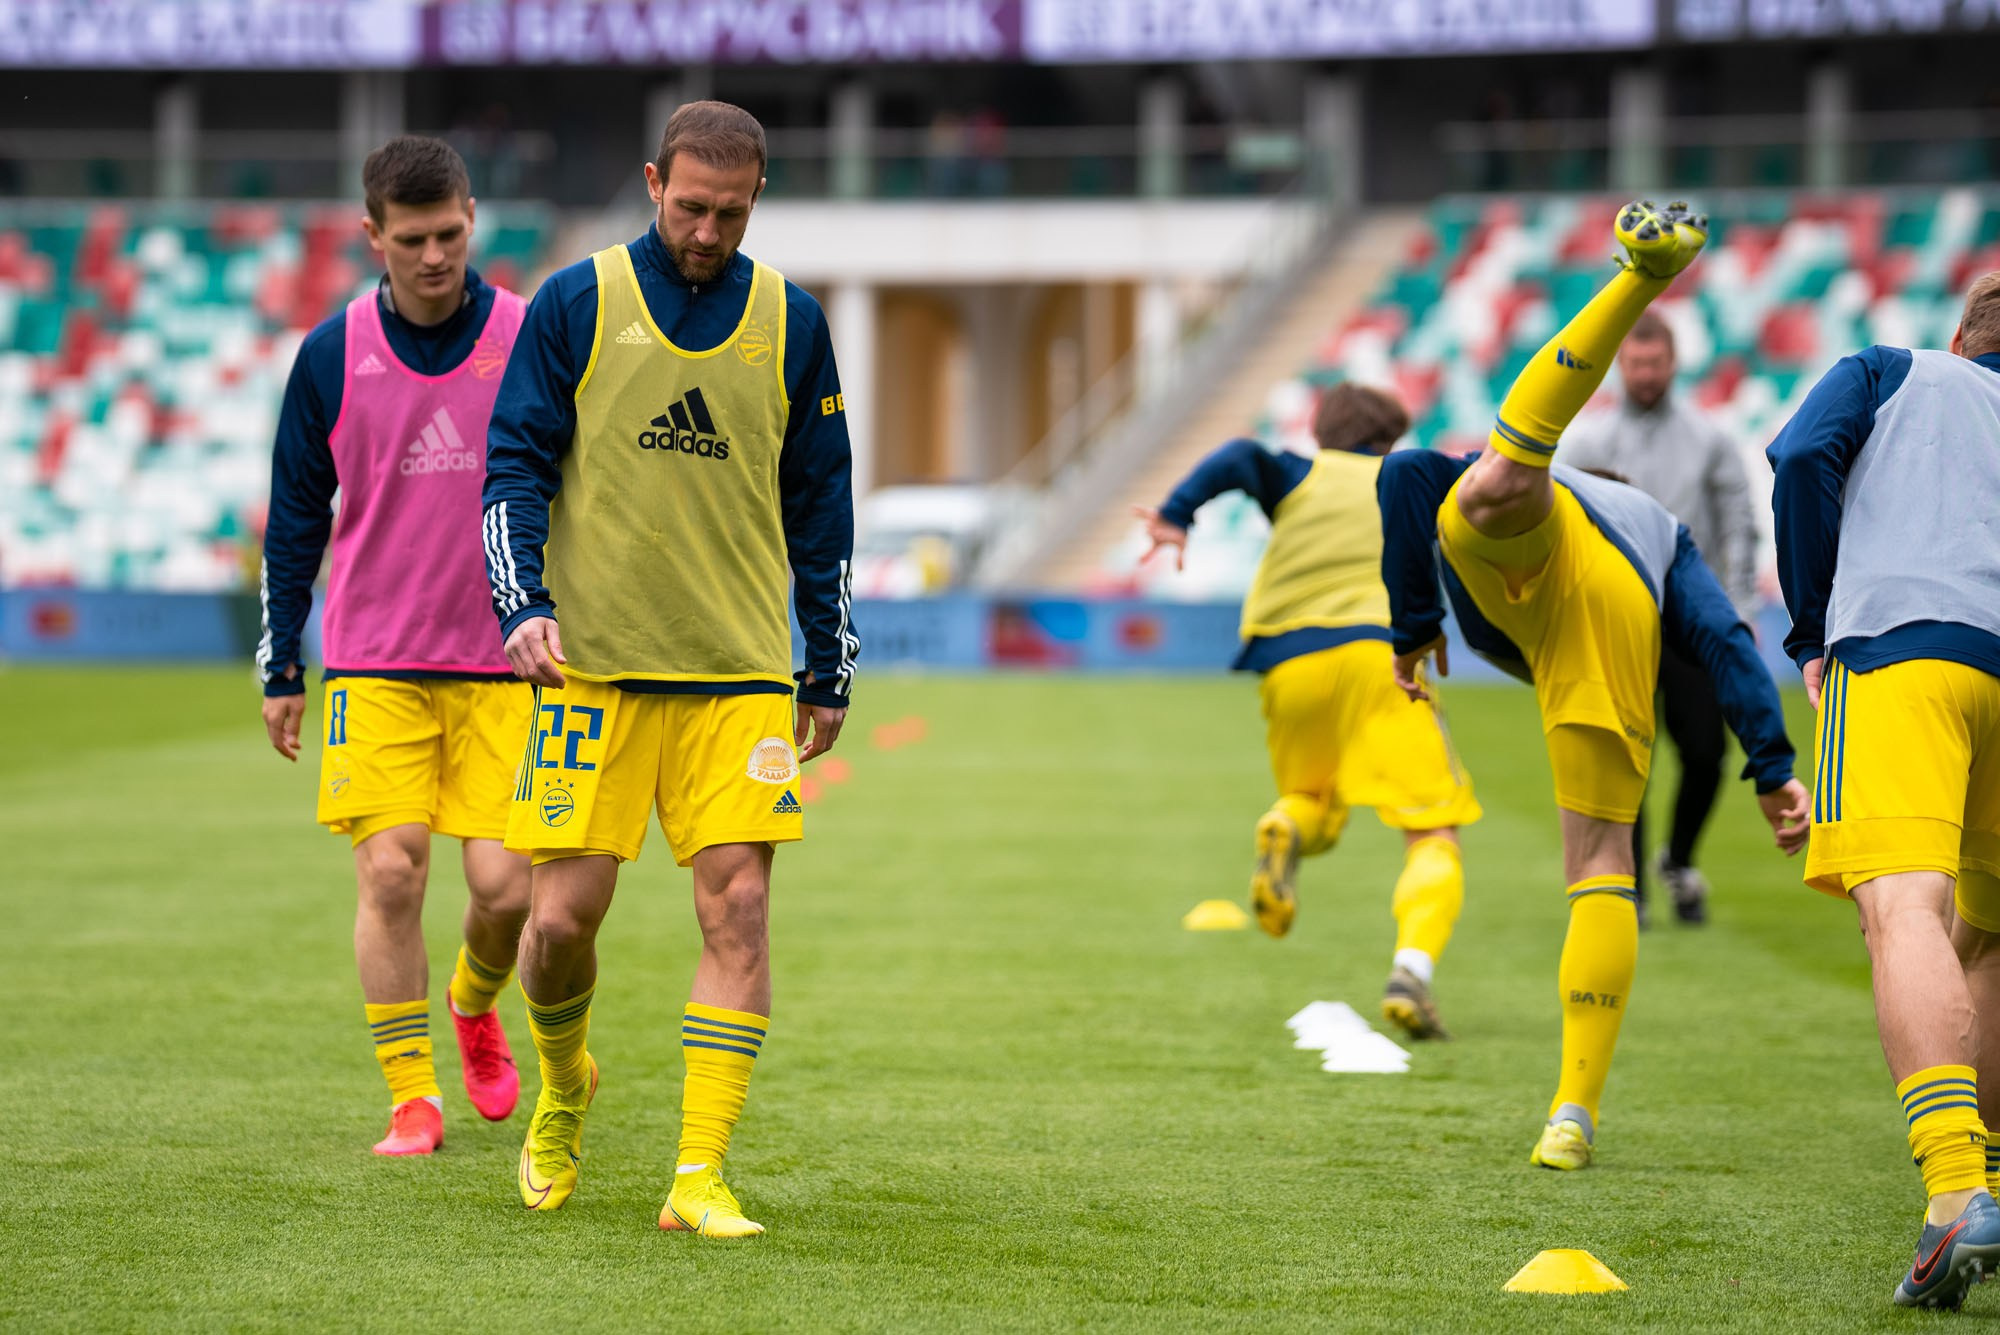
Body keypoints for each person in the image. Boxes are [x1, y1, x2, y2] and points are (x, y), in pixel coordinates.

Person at [481, 100, 856, 1238]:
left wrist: (826, 665)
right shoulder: (578, 299)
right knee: (556, 927)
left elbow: (823, 504)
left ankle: (698, 1176)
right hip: (587, 671)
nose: (705, 230)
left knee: (738, 906)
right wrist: (521, 602)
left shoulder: (792, 319)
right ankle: (560, 1091)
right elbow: (511, 465)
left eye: (729, 213)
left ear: (756, 201)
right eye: (689, 207)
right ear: (653, 183)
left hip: (736, 670)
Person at [1378, 201, 1809, 1171]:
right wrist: (1773, 765)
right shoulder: (1659, 529)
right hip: (1611, 620)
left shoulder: (1590, 494)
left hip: (1543, 564)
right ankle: (1571, 1112)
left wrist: (1408, 630)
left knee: (1498, 477)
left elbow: (1404, 475)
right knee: (1602, 868)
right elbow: (1730, 642)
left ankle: (1637, 274)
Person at [258, 136, 531, 1157]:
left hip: (507, 662)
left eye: (450, 233)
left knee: (507, 893)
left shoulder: (528, 333)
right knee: (392, 874)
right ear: (371, 236)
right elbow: (294, 518)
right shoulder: (329, 355)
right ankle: (412, 1096)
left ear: (472, 219)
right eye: (410, 239)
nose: (433, 256)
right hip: (373, 660)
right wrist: (284, 661)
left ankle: (471, 1003)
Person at [1768, 271, 2000, 1309]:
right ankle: (1984, 1186)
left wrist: (1811, 625)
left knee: (1905, 905)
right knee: (1988, 937)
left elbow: (1797, 453)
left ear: (1962, 336)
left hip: (1903, 651)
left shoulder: (1894, 370)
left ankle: (1954, 1194)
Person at [1133, 383, 1480, 1040]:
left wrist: (1178, 512)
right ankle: (1412, 969)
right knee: (1433, 832)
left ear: (1322, 433)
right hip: (1383, 659)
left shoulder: (1298, 473)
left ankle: (1284, 824)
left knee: (1311, 798)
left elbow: (1238, 454)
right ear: (1388, 442)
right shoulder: (1406, 477)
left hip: (1289, 661)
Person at [1565, 311, 1759, 925]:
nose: (1646, 374)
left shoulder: (1711, 438)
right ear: (1621, 366)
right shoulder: (1587, 441)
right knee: (1626, 756)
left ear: (1673, 364)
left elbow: (1739, 528)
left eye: (1656, 363)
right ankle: (1630, 885)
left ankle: (1676, 859)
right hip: (1613, 616)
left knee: (1705, 752)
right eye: (1636, 363)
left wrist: (1740, 612)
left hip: (1690, 616)